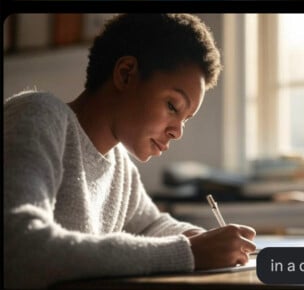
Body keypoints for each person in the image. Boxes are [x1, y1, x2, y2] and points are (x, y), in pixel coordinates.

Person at [4, 14, 257, 288]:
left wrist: (197, 237)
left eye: (185, 119)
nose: (177, 131)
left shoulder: (119, 163)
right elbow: (20, 248)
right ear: (126, 74)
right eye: (173, 106)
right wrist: (189, 253)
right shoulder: (39, 114)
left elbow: (150, 225)